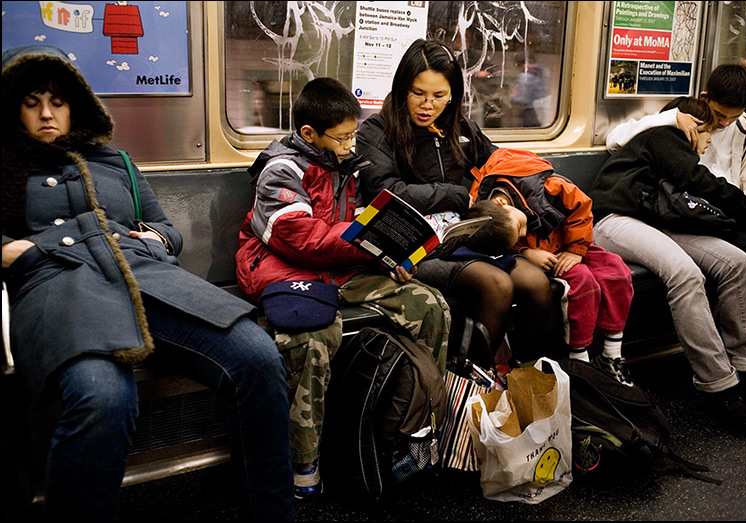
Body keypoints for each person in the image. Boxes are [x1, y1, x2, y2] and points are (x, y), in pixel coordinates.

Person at [1, 45, 293, 521]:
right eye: (33, 103)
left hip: (145, 274)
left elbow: (167, 228)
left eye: (57, 101)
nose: (47, 114)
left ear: (76, 104)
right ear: (15, 107)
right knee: (103, 397)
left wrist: (155, 239)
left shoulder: (115, 161)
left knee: (258, 359)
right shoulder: (7, 165)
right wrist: (16, 252)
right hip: (61, 282)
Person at [234, 77, 450, 499]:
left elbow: (346, 232)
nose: (352, 144)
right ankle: (304, 462)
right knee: (313, 337)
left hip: (340, 268)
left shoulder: (344, 164)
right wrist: (368, 246)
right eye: (343, 136)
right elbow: (301, 238)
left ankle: (415, 428)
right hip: (285, 267)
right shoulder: (282, 168)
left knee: (430, 305)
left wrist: (391, 254)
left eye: (353, 134)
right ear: (310, 134)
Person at [356, 39, 556, 367]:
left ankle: (525, 377)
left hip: (462, 236)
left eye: (439, 96)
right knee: (496, 284)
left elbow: (499, 168)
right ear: (402, 87)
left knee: (537, 285)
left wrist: (501, 202)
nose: (427, 105)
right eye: (418, 93)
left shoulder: (459, 128)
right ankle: (468, 383)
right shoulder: (377, 132)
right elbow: (386, 192)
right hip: (413, 246)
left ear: (452, 95)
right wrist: (456, 195)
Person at [591, 96, 746, 428]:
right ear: (694, 129)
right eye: (708, 135)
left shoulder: (669, 143)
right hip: (614, 220)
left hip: (652, 222)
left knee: (736, 262)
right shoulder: (665, 138)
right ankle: (719, 387)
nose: (709, 144)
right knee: (685, 273)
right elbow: (701, 183)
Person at [461, 156, 635, 386]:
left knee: (617, 272)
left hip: (572, 238)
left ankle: (612, 352)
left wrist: (575, 249)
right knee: (583, 282)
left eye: (521, 228)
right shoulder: (488, 217)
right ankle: (580, 360)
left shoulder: (547, 189)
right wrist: (524, 252)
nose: (522, 233)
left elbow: (581, 209)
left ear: (503, 204)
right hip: (543, 249)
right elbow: (511, 240)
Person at [605, 63, 746, 275]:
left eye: (733, 117)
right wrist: (671, 118)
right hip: (697, 213)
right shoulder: (684, 121)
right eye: (719, 114)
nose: (725, 123)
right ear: (705, 97)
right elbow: (614, 140)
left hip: (735, 209)